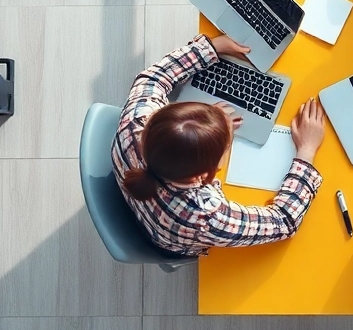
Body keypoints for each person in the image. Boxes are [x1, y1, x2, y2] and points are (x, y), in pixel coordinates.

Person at [112, 34, 327, 255]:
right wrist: (307, 149)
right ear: (207, 175)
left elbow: (152, 79)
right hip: (163, 239)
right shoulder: (204, 217)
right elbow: (285, 222)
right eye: (226, 144)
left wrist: (210, 48)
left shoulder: (135, 121)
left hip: (136, 199)